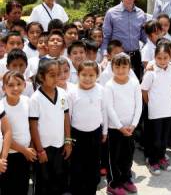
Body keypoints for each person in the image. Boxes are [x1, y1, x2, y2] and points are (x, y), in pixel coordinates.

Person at [29, 59, 72, 195]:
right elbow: (33, 126)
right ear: (42, 77)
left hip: (60, 145)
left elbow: (66, 118)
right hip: (44, 149)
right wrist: (40, 150)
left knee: (59, 177)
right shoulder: (35, 98)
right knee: (43, 181)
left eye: (58, 74)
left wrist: (68, 141)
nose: (56, 78)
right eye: (52, 75)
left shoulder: (63, 94)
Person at [104, 53, 142, 194]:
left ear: (129, 67)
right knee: (114, 157)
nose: (121, 70)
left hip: (130, 128)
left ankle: (126, 178)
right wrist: (120, 127)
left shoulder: (134, 82)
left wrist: (133, 125)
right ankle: (113, 183)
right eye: (117, 67)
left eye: (124, 66)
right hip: (115, 129)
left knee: (128, 155)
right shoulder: (109, 85)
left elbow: (139, 105)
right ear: (112, 67)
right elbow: (110, 108)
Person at [68, 60, 106, 195]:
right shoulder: (72, 92)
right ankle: (76, 190)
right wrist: (68, 138)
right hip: (77, 134)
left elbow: (104, 111)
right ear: (78, 75)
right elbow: (68, 116)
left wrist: (105, 131)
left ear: (97, 76)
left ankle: (91, 190)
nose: (88, 78)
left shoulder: (101, 90)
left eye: (91, 75)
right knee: (77, 165)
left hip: (95, 133)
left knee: (93, 164)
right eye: (84, 75)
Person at [141, 40, 171, 174]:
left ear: (170, 57)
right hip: (155, 111)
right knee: (154, 138)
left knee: (164, 137)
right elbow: (144, 91)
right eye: (159, 58)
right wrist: (150, 104)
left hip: (168, 110)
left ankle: (161, 157)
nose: (162, 61)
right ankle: (152, 161)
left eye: (165, 58)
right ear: (154, 57)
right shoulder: (150, 72)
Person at [102, 0, 147, 80]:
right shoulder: (111, 13)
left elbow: (144, 37)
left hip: (136, 57)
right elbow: (106, 37)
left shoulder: (141, 14)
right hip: (118, 57)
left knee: (135, 86)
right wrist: (105, 56)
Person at [1, 71, 31, 195]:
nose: (15, 88)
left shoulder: (27, 101)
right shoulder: (2, 107)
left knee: (23, 187)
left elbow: (32, 126)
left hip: (25, 155)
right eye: (11, 85)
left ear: (25, 85)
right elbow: (4, 136)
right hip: (8, 155)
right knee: (8, 189)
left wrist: (29, 150)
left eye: (19, 84)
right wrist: (24, 150)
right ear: (3, 88)